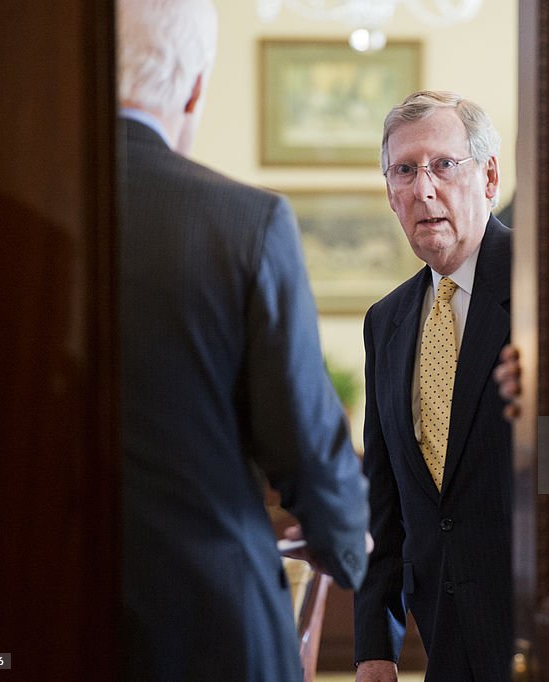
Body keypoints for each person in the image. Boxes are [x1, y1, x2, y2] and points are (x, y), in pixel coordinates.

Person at [117, 0, 369, 678]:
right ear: (195, 87)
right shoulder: (245, 222)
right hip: (210, 625)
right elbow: (305, 439)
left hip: (18, 610)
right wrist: (347, 543)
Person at [354, 91, 512, 682]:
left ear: (489, 176)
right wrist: (374, 644)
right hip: (445, 636)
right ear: (390, 194)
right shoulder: (386, 321)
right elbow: (384, 498)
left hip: (546, 631)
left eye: (444, 165)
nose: (423, 189)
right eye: (404, 170)